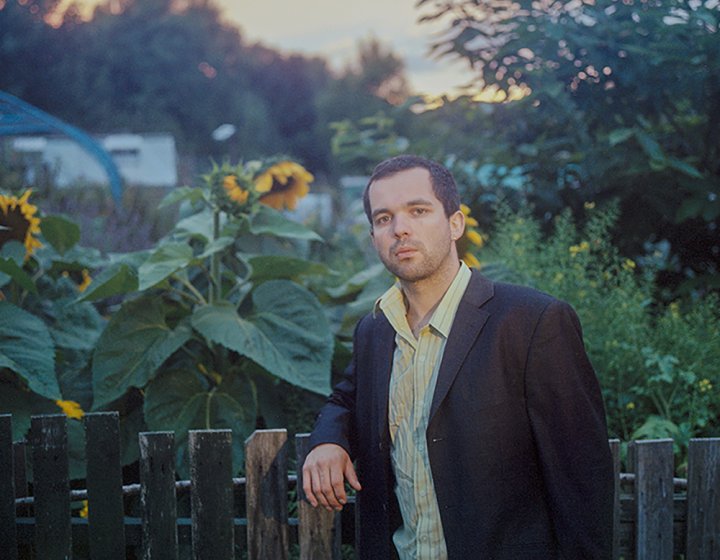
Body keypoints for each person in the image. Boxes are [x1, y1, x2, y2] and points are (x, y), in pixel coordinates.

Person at [302, 154, 614, 559]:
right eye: (384, 218)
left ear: (455, 224)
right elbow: (346, 398)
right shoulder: (375, 329)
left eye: (418, 210)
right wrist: (328, 441)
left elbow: (581, 482)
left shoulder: (532, 323)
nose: (400, 229)